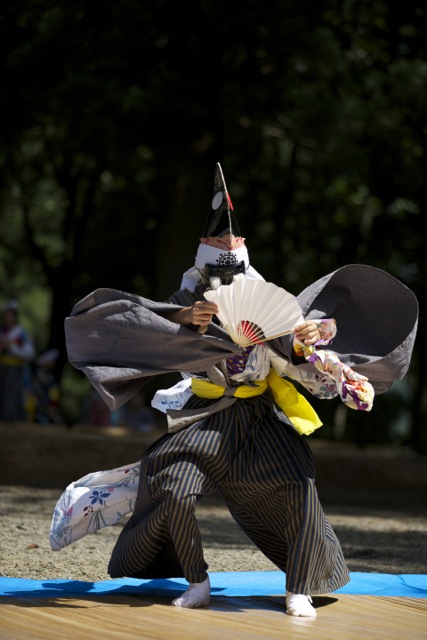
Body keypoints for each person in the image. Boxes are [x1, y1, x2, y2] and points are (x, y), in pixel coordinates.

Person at [52, 164, 418, 616]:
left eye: (232, 276)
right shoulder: (185, 306)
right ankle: (197, 580)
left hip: (261, 416)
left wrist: (303, 343)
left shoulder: (269, 303)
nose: (224, 286)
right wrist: (184, 322)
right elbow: (141, 329)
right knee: (173, 486)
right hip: (207, 415)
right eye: (214, 278)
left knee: (298, 486)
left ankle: (298, 586)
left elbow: (293, 357)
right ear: (201, 273)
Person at [0, 300, 35, 422]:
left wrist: (11, 347)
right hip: (3, 371)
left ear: (15, 317)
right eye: (5, 315)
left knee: (12, 399)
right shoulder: (3, 333)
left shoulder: (21, 333)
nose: (7, 318)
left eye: (10, 315)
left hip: (15, 372)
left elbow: (29, 353)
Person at [33, 348, 63, 424]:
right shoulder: (42, 376)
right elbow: (43, 393)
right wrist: (48, 404)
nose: (53, 363)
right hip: (43, 407)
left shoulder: (48, 375)